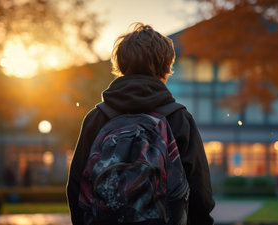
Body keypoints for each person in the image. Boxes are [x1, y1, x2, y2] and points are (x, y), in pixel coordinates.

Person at [67, 23, 215, 225]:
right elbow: (200, 192)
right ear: (166, 69)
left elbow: (76, 186)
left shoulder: (97, 118)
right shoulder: (178, 119)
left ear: (120, 67)